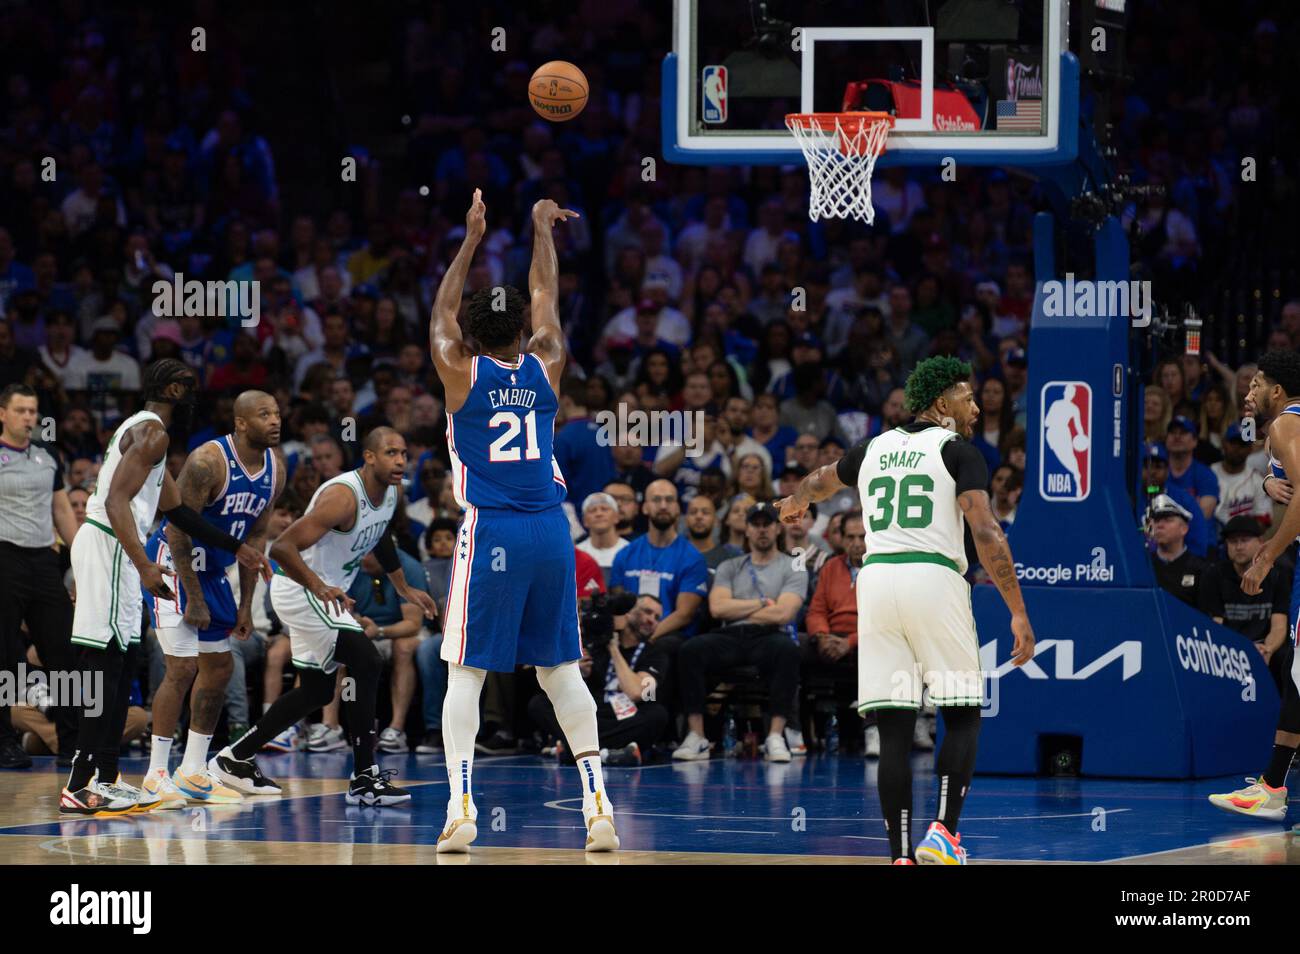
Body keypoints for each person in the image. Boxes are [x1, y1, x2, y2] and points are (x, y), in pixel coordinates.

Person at [778, 355, 1036, 865]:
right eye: (968, 398)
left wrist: (795, 499)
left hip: (875, 585)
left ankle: (900, 855)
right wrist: (1018, 611)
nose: (977, 407)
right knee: (961, 714)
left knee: (893, 728)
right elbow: (986, 531)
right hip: (933, 578)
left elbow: (820, 480)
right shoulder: (959, 451)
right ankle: (943, 833)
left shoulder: (871, 448)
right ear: (943, 403)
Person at [425, 191, 619, 853]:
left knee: (465, 675)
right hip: (550, 532)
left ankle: (461, 809)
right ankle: (598, 809)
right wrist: (541, 229)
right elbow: (545, 291)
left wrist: (472, 237)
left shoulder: (457, 368)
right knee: (560, 670)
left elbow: (441, 313)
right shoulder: (549, 360)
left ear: (474, 338)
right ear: (522, 334)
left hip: (494, 531)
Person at [61, 359, 272, 815]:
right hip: (112, 544)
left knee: (122, 662)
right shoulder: (154, 432)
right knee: (102, 664)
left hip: (119, 547)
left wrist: (240, 548)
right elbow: (116, 501)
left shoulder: (149, 432)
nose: (194, 394)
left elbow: (179, 513)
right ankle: (80, 783)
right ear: (174, 389)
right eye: (189, 386)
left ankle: (107, 777)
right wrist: (143, 565)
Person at [207, 427, 437, 806]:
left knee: (317, 690)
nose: (400, 461)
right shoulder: (342, 497)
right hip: (301, 588)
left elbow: (379, 535)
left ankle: (235, 758)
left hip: (320, 591)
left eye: (403, 454)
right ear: (369, 457)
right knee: (365, 659)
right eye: (391, 453)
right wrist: (318, 586)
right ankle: (364, 777)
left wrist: (403, 587)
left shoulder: (392, 492)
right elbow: (282, 548)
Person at [138, 390, 284, 809]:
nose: (275, 421)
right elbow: (177, 527)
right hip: (172, 561)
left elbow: (255, 536)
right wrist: (194, 597)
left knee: (219, 667)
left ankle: (194, 771)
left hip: (215, 568)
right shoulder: (208, 461)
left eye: (276, 413)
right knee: (182, 667)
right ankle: (156, 775)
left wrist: (244, 605)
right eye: (263, 414)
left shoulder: (276, 467)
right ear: (240, 423)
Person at [1218, 350, 1300, 820]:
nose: (1247, 393)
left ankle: (1272, 787)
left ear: (1277, 391)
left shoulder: (1283, 425)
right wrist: (1272, 477)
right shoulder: (1287, 430)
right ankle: (1272, 784)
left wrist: (1266, 554)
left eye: (1255, 385)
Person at [672, 502, 807, 763]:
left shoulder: (793, 567)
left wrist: (740, 609)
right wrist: (762, 603)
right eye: (755, 525)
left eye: (766, 524)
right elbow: (718, 608)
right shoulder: (729, 566)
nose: (761, 530)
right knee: (690, 650)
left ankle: (775, 735)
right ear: (746, 530)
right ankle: (697, 736)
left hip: (769, 635)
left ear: (777, 528)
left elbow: (783, 614)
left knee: (788, 650)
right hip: (732, 636)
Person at [0, 384, 81, 769]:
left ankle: (72, 742)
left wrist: (83, 561)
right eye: (21, 411)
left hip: (43, 559)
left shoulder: (48, 454)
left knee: (63, 649)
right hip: (4, 556)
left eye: (33, 411)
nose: (29, 418)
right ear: (3, 413)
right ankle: (5, 741)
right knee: (4, 654)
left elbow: (63, 511)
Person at [529, 594, 669, 767]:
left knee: (657, 715)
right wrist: (577, 671)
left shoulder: (656, 654)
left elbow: (635, 692)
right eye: (647, 612)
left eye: (657, 617)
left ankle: (577, 751)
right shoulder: (596, 642)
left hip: (624, 717)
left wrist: (614, 649)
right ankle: (607, 754)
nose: (651, 620)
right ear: (628, 614)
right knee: (540, 703)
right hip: (593, 710)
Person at [1147, 494, 1208, 607]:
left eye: (1167, 520)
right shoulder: (1145, 566)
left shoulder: (1200, 569)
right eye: (1156, 521)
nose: (1160, 525)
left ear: (1183, 529)